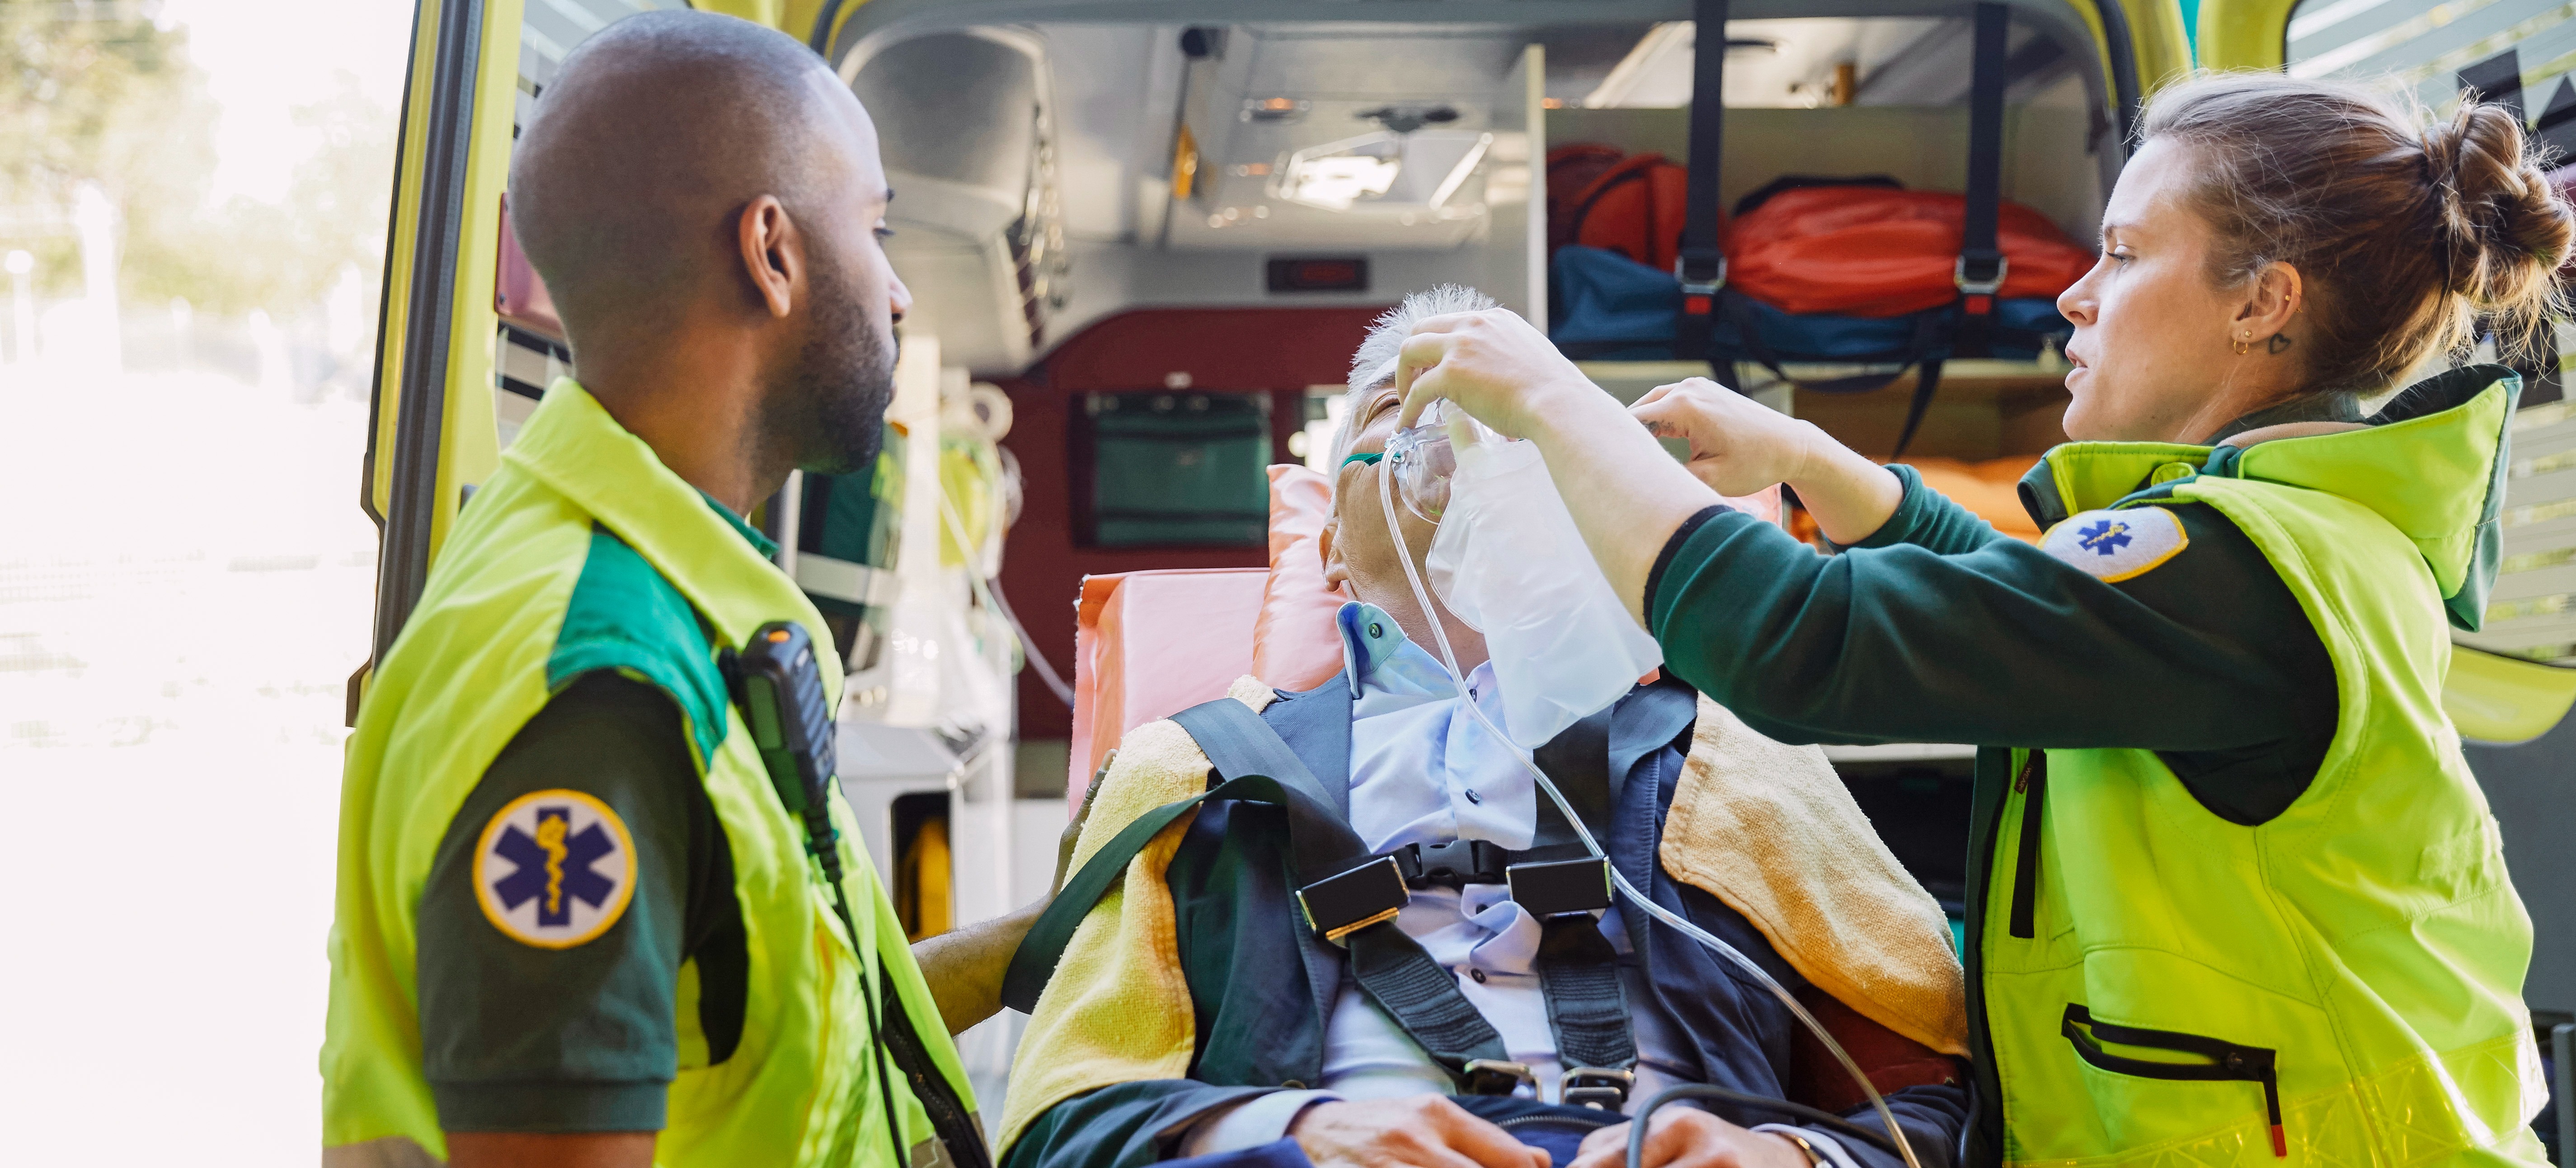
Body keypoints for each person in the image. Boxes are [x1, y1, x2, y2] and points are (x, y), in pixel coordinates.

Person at [1392, 74, 2565, 1165]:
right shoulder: (2297, 536)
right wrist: (1813, 462)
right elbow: (2031, 607)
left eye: (2120, 253)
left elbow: (1798, 649)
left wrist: (1553, 402)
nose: (2072, 292)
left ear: (2261, 302)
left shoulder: (2243, 569)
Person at [997, 287, 1972, 1168]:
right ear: (1332, 544)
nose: (1451, 429)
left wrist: (1793, 1156)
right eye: (1397, 409)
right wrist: (1290, 1133)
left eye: (1505, 415)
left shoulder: (1727, 753)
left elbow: (1948, 1091)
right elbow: (1062, 1119)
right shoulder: (1197, 768)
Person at [324, 12, 1053, 1168]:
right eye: (874, 228)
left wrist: (1047, 938)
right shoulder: (594, 686)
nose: (901, 292)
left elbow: (777, 1031)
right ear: (772, 251)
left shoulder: (673, 597)